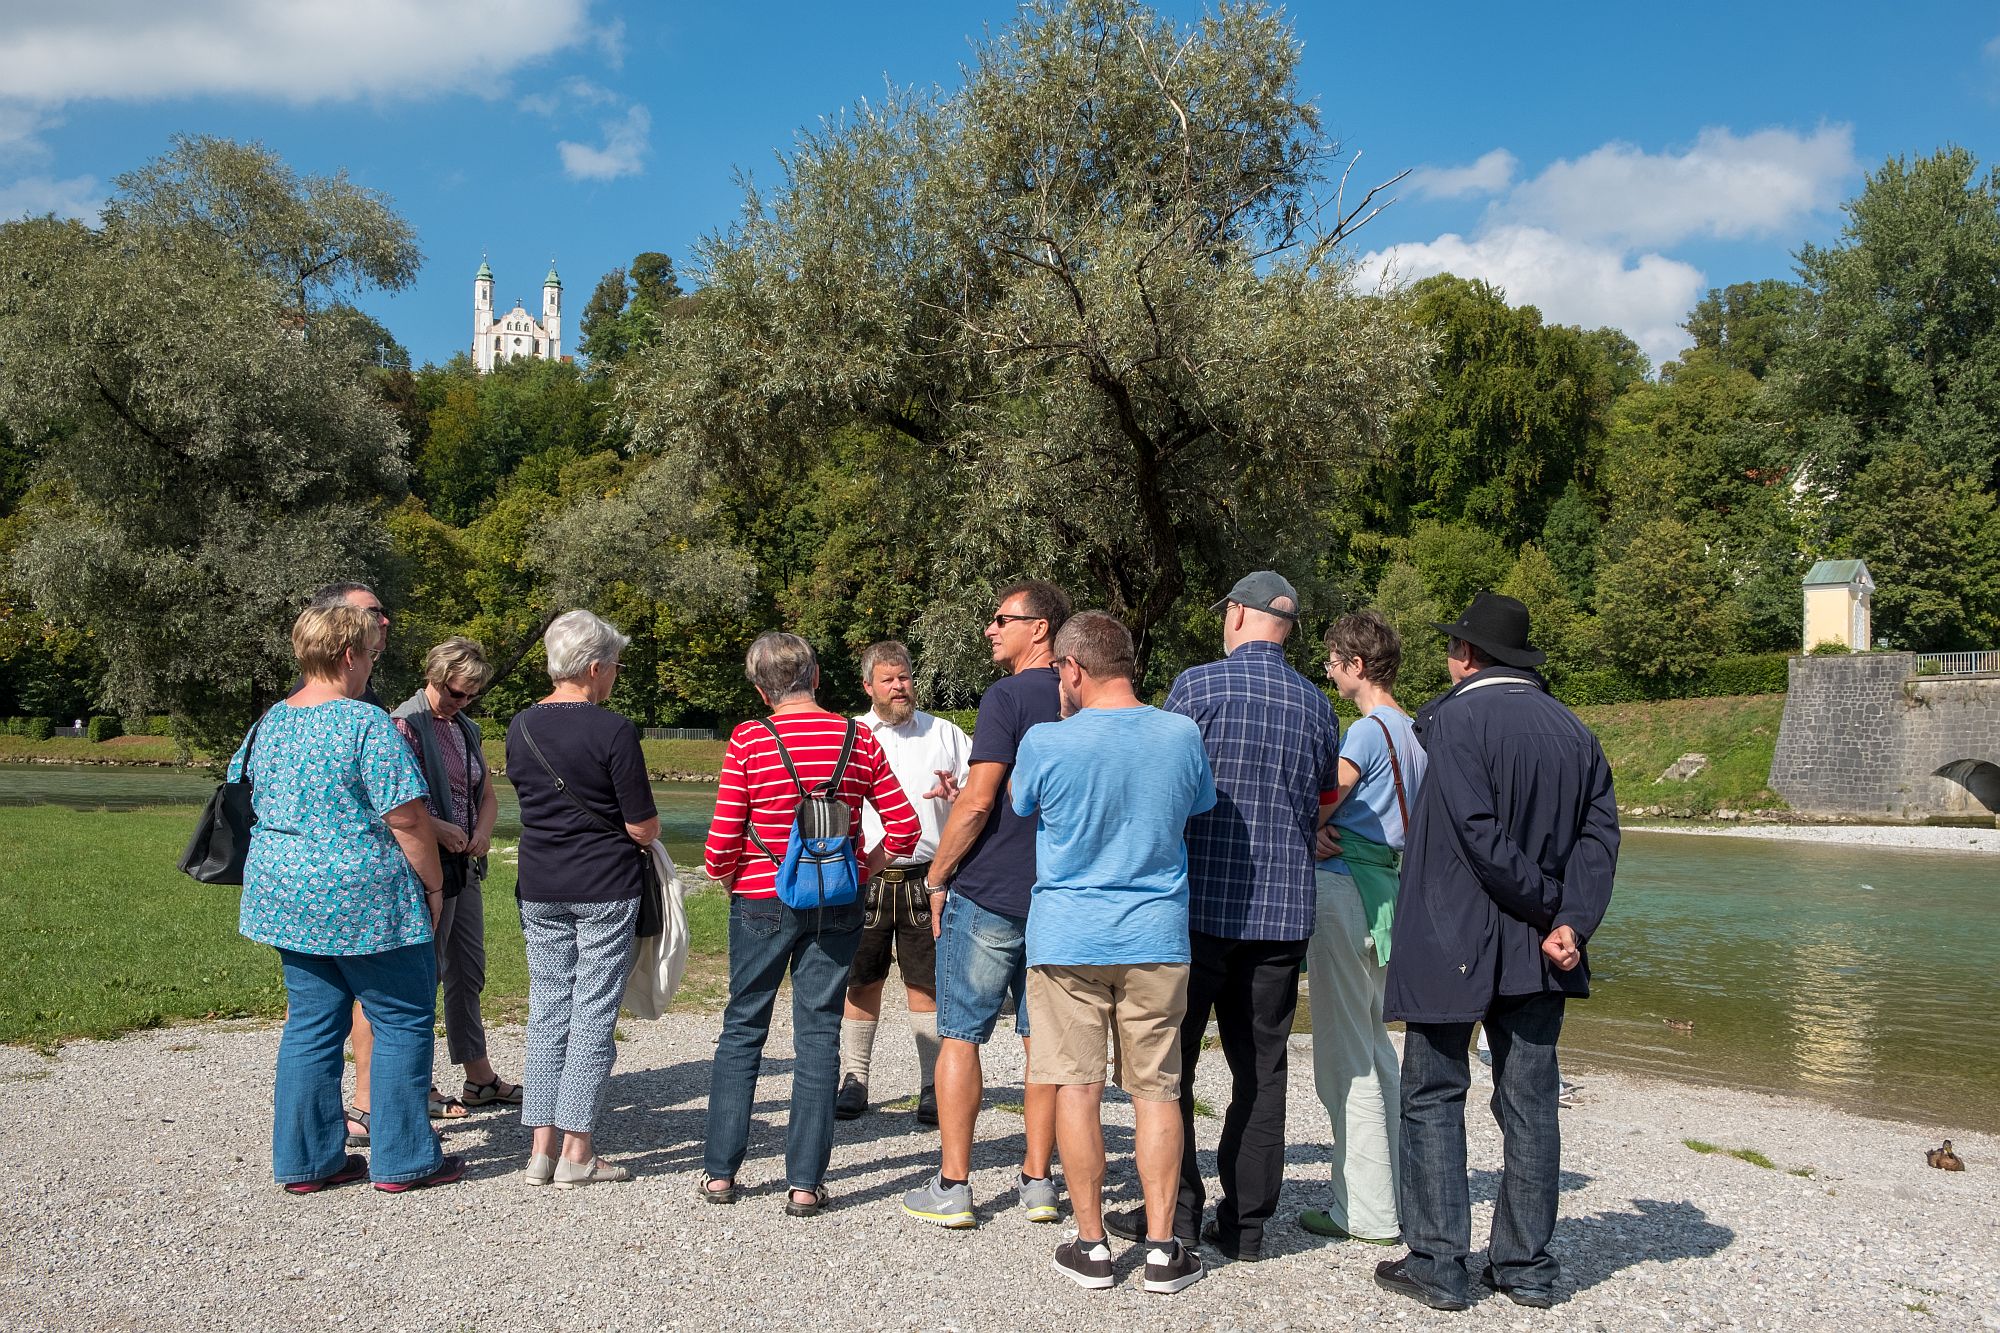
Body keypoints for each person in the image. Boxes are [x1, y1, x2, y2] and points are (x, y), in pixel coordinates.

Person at [1373, 593, 1619, 1313]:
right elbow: (1600, 840)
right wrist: (1572, 921)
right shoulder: (1576, 730)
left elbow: (1477, 834)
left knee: (1433, 1092)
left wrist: (1549, 907)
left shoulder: (1455, 720)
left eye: (1454, 646)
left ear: (1469, 656)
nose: (1449, 658)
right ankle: (1525, 1265)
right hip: (1544, 949)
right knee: (1530, 1102)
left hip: (1456, 932)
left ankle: (1439, 1261)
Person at [1109, 571, 1339, 1260]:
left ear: (1237, 614)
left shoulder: (1197, 687)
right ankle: (1246, 1227)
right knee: (1262, 1071)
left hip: (1198, 909)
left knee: (1171, 1066)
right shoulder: (1317, 704)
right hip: (1283, 913)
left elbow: (1161, 784)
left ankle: (1176, 1213)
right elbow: (1324, 802)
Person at [1013, 611, 1215, 1295]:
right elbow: (1198, 804)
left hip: (1067, 934)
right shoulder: (1180, 733)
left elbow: (1021, 803)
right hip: (1155, 934)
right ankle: (1162, 1248)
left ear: (1073, 668)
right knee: (1158, 1090)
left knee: (1078, 1085)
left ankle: (1092, 1243)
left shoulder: (1047, 740)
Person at [235, 601, 460, 1193]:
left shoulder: (271, 721)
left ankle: (309, 1162)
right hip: (363, 896)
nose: (371, 664)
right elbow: (407, 818)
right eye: (370, 653)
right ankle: (404, 1159)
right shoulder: (365, 723)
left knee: (311, 1025)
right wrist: (434, 886)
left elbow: (249, 792)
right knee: (402, 1017)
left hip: (286, 894)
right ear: (347, 656)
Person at [701, 632, 921, 1216]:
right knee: (820, 1033)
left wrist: (732, 879)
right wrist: (863, 869)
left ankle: (721, 1174)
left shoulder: (750, 739)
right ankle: (804, 1183)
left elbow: (720, 846)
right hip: (839, 902)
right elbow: (905, 828)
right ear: (817, 677)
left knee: (743, 1026)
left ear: (760, 688)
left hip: (761, 896)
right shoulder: (857, 737)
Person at [901, 580, 1070, 1230]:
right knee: (1043, 1043)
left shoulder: (1007, 695)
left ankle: (954, 1184)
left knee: (961, 1035)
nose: (989, 629)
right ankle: (1038, 1181)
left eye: (1002, 618)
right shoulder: (1081, 695)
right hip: (1057, 893)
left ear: (1040, 627)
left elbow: (977, 803)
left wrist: (937, 875)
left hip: (991, 890)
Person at [506, 610, 660, 1189]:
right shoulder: (614, 730)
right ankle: (578, 1150)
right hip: (603, 886)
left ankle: (539, 1151)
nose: (615, 675)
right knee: (592, 1014)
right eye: (614, 665)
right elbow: (641, 825)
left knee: (548, 1009)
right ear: (594, 668)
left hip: (540, 884)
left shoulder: (520, 726)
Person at [1301, 611, 1428, 1248]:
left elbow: (1330, 796)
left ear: (1357, 665)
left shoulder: (1367, 731)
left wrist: (1309, 827)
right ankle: (1394, 1194)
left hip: (1346, 886)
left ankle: (1367, 1211)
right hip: (1389, 892)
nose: (1329, 672)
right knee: (1376, 1045)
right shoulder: (1415, 731)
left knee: (1344, 1057)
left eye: (1333, 661)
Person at [837, 640, 972, 1127]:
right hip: (865, 877)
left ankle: (932, 1085)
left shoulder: (946, 734)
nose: (899, 687)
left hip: (928, 878)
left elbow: (979, 801)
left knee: (926, 982)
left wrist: (956, 795)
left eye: (904, 677)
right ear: (867, 685)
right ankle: (855, 1078)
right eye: (888, 680)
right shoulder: (849, 735)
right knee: (861, 979)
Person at [389, 637, 521, 1112]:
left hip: (465, 866)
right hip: (423, 867)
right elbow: (398, 802)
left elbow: (487, 794)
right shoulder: (403, 724)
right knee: (424, 973)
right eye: (455, 691)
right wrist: (439, 829)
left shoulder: (466, 728)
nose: (460, 701)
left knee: (468, 969)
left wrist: (482, 832)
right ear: (435, 675)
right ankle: (417, 1084)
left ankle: (479, 1078)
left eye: (470, 695)